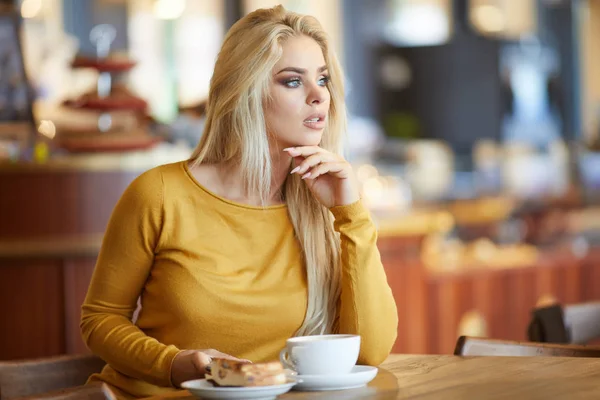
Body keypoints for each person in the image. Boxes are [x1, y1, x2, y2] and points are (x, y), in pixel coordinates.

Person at [80, 5, 398, 399]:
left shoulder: (322, 208)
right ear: (246, 91)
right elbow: (100, 319)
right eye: (293, 82)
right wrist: (172, 364)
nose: (320, 96)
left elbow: (371, 351)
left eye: (323, 79)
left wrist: (351, 215)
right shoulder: (159, 194)